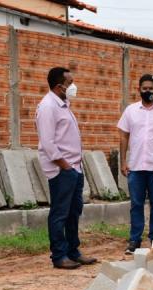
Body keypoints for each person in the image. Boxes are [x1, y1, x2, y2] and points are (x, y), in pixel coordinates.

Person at [36, 67, 96, 269]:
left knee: (73, 212)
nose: (73, 86)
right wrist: (65, 166)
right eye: (70, 83)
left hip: (74, 168)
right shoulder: (47, 107)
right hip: (62, 170)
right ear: (59, 86)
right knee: (60, 213)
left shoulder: (63, 105)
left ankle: (73, 251)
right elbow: (47, 142)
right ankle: (59, 256)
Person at [117, 74, 153, 254]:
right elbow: (123, 136)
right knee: (136, 204)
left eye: (151, 88)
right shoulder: (130, 110)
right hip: (136, 167)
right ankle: (134, 240)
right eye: (144, 88)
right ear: (139, 89)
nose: (148, 91)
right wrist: (123, 161)